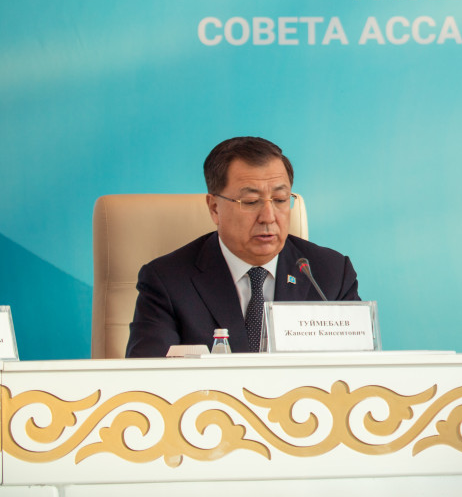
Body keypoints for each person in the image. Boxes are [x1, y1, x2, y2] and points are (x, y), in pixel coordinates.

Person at [126, 137, 360, 357]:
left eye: (280, 200)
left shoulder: (330, 275)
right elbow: (148, 378)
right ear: (214, 208)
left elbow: (359, 372)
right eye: (250, 202)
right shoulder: (168, 281)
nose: (268, 217)